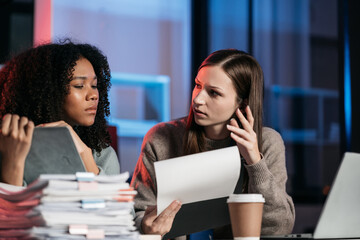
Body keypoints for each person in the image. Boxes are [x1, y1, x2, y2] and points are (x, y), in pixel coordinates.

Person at [131, 49, 295, 239]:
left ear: (242, 104)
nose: (198, 99)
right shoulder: (161, 137)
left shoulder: (267, 142)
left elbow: (279, 227)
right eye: (197, 85)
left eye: (214, 93)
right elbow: (137, 214)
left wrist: (255, 162)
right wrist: (145, 226)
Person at [0, 41, 120, 186]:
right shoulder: (9, 146)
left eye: (94, 85)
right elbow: (11, 208)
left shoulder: (102, 155)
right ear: (46, 92)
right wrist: (13, 162)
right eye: (79, 86)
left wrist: (85, 156)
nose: (93, 95)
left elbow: (120, 209)